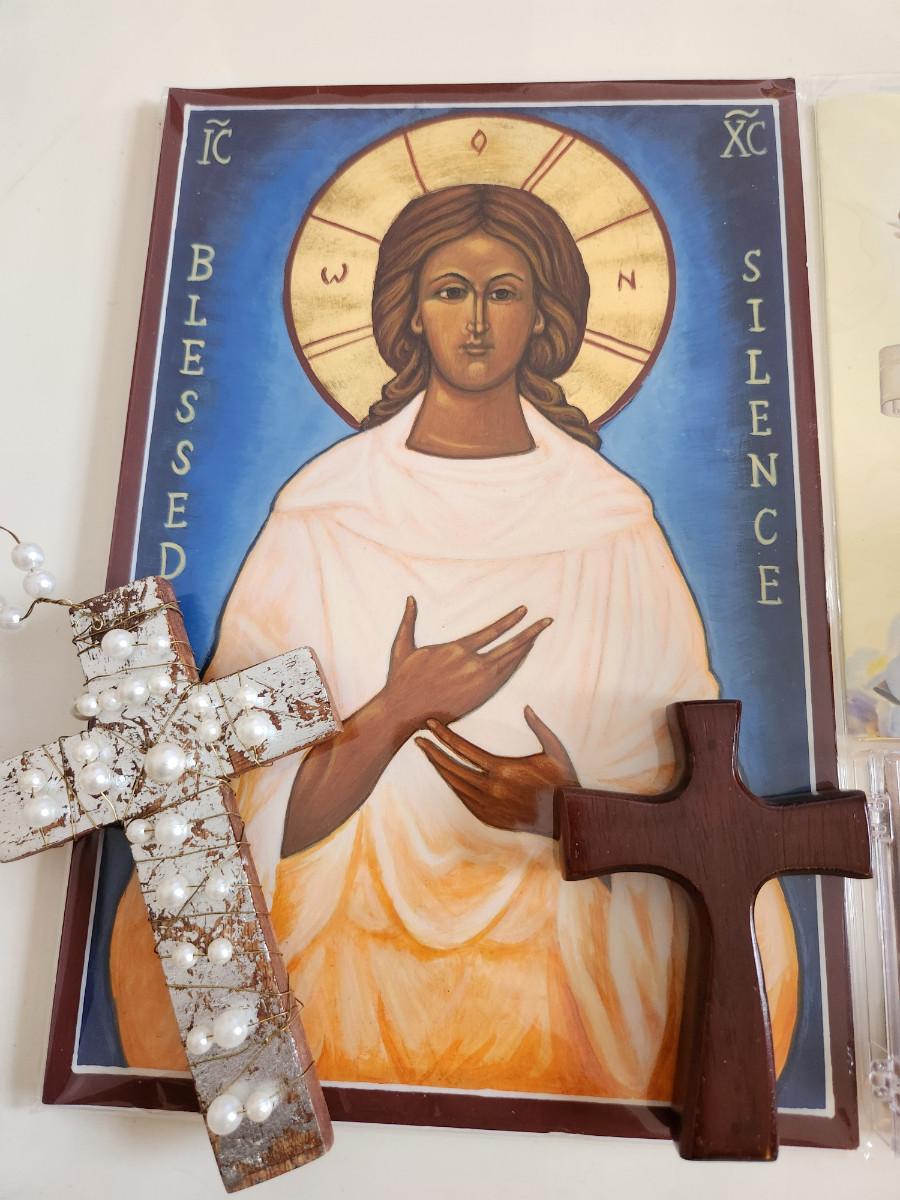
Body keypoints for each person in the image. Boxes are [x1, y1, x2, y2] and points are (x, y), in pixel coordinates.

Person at [111, 183, 799, 1097]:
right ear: (409, 311)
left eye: (503, 292)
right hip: (338, 968)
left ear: (544, 316)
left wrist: (571, 813)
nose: (475, 321)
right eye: (449, 291)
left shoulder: (610, 523)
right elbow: (225, 812)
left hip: (555, 978)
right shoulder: (325, 513)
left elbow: (697, 796)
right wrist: (392, 714)